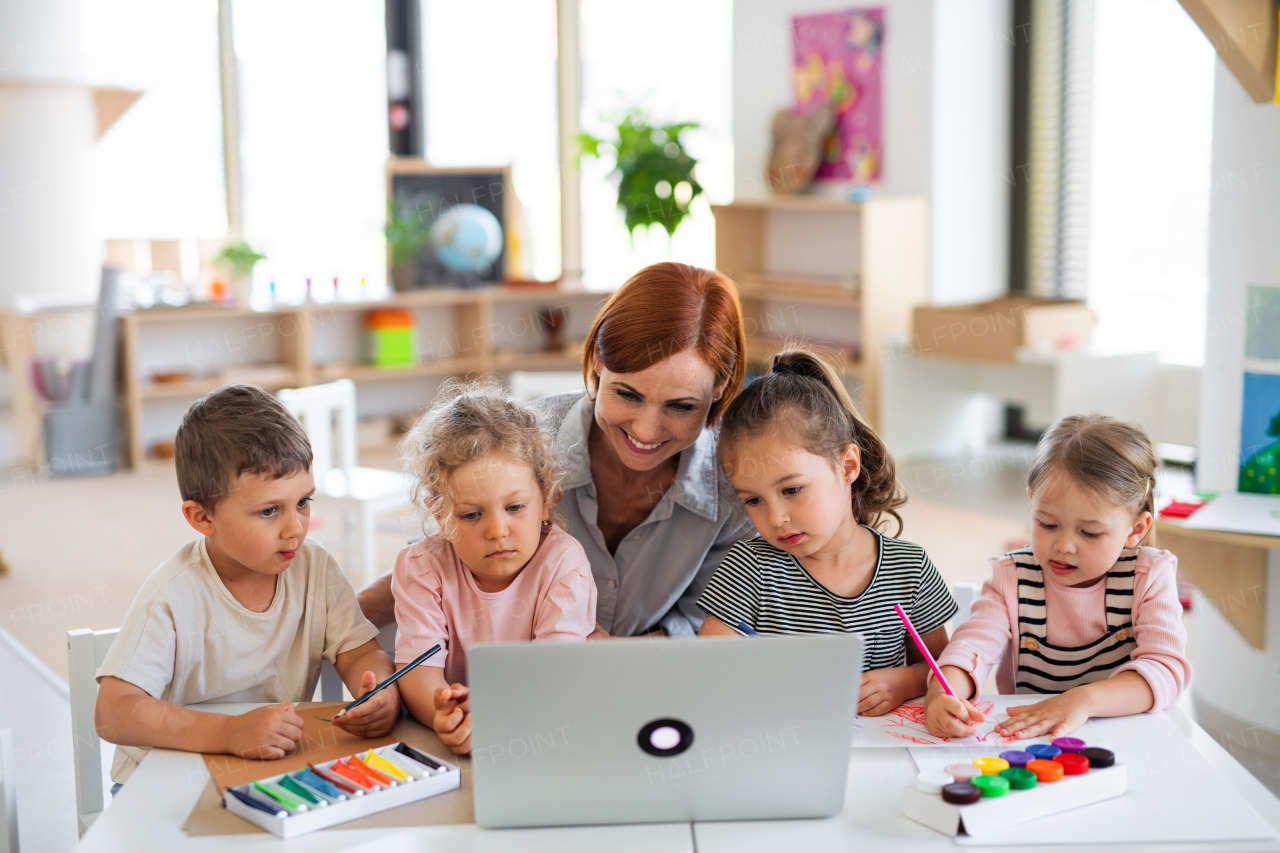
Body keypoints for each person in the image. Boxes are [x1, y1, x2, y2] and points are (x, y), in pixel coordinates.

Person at [359, 262, 756, 638]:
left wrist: (614, 654)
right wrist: (337, 628)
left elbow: (711, 624)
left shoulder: (742, 481)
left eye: (680, 406)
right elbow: (430, 566)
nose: (645, 431)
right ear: (598, 359)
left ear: (720, 387)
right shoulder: (515, 443)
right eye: (628, 395)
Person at [95, 385, 399, 786]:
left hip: (268, 768)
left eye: (304, 502)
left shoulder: (316, 569)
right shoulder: (171, 594)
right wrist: (229, 733)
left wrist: (380, 691)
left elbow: (361, 651)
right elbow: (113, 713)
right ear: (202, 518)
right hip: (165, 780)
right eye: (269, 510)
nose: (296, 528)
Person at [697, 349, 958, 717]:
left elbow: (942, 670)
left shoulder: (909, 568)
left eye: (791, 490)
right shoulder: (747, 569)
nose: (776, 517)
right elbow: (704, 673)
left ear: (847, 465)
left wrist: (902, 683)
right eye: (753, 500)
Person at [925, 413, 1190, 739]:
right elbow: (971, 649)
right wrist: (944, 692)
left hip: (1124, 735)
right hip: (1033, 742)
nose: (1063, 546)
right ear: (1031, 504)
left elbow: (1165, 669)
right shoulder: (1012, 578)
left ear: (1135, 529)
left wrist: (1083, 700)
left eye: (1090, 533)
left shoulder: (1148, 577)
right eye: (1047, 524)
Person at [391, 382, 597, 755]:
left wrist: (495, 718)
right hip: (452, 745)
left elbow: (552, 676)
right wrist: (446, 714)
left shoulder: (563, 564)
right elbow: (418, 671)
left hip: (540, 738)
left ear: (546, 500)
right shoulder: (421, 567)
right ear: (440, 514)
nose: (497, 530)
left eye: (515, 508)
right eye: (471, 515)